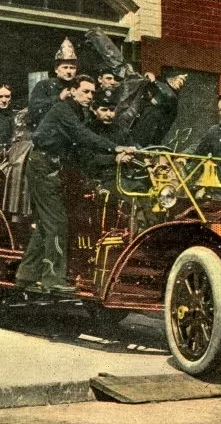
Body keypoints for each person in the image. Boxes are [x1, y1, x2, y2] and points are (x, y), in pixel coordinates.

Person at [14, 75, 134, 293]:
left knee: (45, 224)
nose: (89, 96)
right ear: (72, 91)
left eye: (91, 93)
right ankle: (53, 280)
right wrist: (114, 148)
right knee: (57, 222)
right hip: (43, 166)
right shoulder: (64, 111)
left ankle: (26, 275)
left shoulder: (78, 113)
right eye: (85, 91)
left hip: (53, 168)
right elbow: (82, 135)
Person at [117, 72, 187, 146]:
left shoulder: (172, 98)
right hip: (138, 118)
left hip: (150, 125)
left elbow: (167, 94)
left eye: (182, 82)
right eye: (179, 80)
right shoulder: (155, 90)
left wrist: (153, 81)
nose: (181, 83)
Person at [27, 38, 79, 129]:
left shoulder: (78, 85)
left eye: (72, 68)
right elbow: (34, 111)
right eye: (65, 67)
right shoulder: (44, 85)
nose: (69, 71)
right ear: (56, 69)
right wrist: (59, 98)